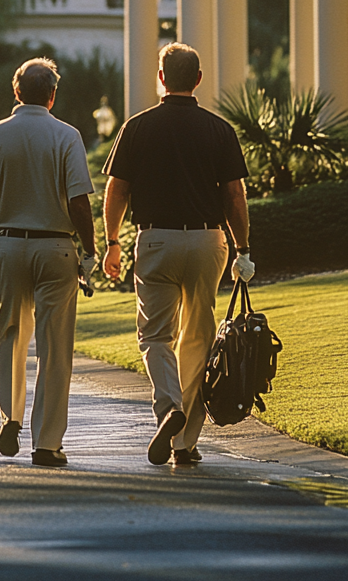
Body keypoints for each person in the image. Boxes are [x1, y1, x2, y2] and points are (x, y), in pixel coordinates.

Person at [101, 42, 254, 466]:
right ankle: (185, 443)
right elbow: (235, 195)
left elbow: (117, 189)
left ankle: (169, 406)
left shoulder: (137, 126)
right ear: (199, 79)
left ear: (161, 77)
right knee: (198, 338)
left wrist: (112, 241)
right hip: (207, 243)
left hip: (156, 241)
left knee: (155, 335)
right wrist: (243, 248)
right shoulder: (219, 129)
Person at [0, 57, 97, 467]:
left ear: (16, 91)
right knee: (55, 348)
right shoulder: (67, 136)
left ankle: (11, 416)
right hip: (55, 247)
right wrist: (90, 250)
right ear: (53, 95)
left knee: (11, 335)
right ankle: (47, 443)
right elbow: (78, 201)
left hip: (7, 245)